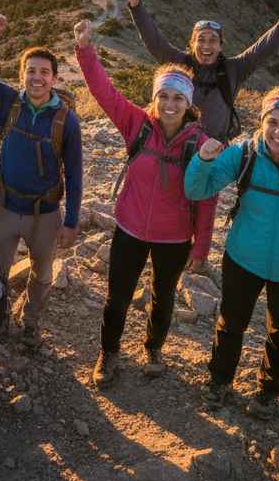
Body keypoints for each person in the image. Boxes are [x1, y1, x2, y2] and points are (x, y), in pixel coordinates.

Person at [185, 86, 279, 418]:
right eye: (273, 122)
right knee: (230, 323)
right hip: (244, 259)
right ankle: (219, 380)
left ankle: (269, 391)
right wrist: (203, 159)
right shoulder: (244, 155)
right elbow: (196, 189)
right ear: (261, 122)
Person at [73, 19, 209, 386]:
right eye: (163, 95)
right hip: (131, 227)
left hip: (175, 236)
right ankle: (109, 352)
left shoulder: (200, 142)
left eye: (178, 98)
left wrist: (202, 245)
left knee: (162, 297)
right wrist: (85, 51)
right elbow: (105, 93)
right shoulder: (137, 124)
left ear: (188, 103)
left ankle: (153, 349)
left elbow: (207, 198)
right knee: (117, 296)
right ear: (154, 98)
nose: (169, 103)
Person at [0, 13, 82, 349]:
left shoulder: (66, 121)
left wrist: (71, 222)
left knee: (42, 275)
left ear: (55, 78)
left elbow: (74, 176)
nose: (37, 77)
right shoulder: (8, 101)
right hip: (3, 206)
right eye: (31, 71)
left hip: (44, 213)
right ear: (22, 75)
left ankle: (30, 323)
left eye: (44, 72)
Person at [123, 0, 279, 142]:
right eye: (201, 40)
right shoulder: (179, 65)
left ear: (220, 46)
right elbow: (154, 40)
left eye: (213, 40)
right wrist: (136, 5)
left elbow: (265, 47)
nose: (206, 45)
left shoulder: (234, 69)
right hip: (178, 146)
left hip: (215, 150)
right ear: (192, 43)